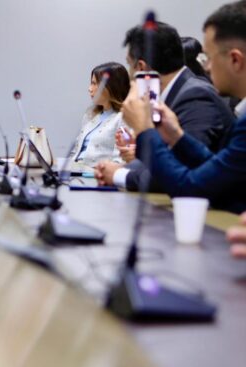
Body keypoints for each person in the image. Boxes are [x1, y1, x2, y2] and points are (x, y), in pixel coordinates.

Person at [120, 0, 246, 214]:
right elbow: (220, 175)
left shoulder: (197, 96)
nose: (206, 67)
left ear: (235, 60)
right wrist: (177, 137)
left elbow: (191, 188)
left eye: (208, 57)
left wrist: (145, 131)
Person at [95, 22, 235, 190]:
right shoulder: (176, 93)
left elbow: (182, 170)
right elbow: (165, 160)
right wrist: (122, 169)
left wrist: (119, 174)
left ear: (141, 68)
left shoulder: (196, 96)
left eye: (129, 65)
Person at [69, 62, 130, 166]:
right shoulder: (90, 115)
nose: (90, 89)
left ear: (111, 86)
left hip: (98, 173)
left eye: (94, 83)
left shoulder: (124, 118)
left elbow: (120, 160)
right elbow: (75, 152)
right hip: (76, 169)